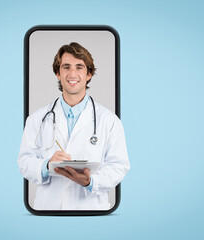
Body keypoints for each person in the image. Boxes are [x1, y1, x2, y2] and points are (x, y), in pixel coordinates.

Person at [17, 42, 130, 210]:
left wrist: (91, 181)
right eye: (66, 67)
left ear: (89, 74)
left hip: (91, 210)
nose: (72, 73)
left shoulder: (109, 120)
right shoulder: (36, 119)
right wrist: (47, 165)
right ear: (57, 73)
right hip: (48, 211)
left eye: (79, 67)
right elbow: (24, 161)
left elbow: (119, 166)